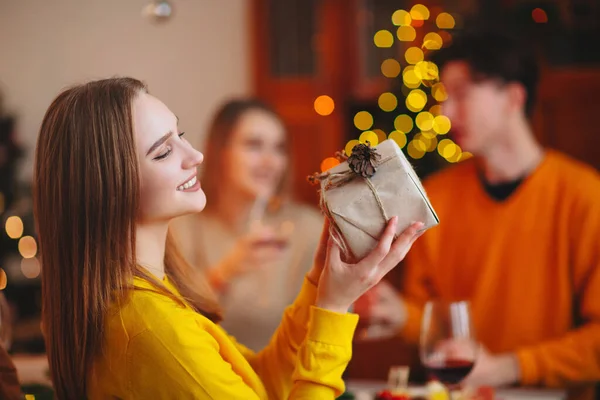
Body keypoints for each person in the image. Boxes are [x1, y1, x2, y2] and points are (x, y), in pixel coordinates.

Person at [33, 77, 423, 399]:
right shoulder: (151, 328)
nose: (195, 155)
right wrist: (335, 308)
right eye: (163, 151)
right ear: (109, 186)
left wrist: (318, 285)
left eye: (180, 135)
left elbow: (260, 383)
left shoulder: (153, 297)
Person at [354, 28, 600, 399]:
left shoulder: (584, 196)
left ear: (513, 98)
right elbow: (432, 322)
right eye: (445, 96)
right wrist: (402, 315)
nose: (445, 111)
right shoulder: (437, 196)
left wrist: (508, 367)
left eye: (462, 94)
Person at [172, 99, 322, 351]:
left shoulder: (309, 228)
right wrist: (225, 272)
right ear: (220, 151)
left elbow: (319, 329)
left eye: (279, 148)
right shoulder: (180, 226)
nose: (270, 161)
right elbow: (171, 325)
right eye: (254, 145)